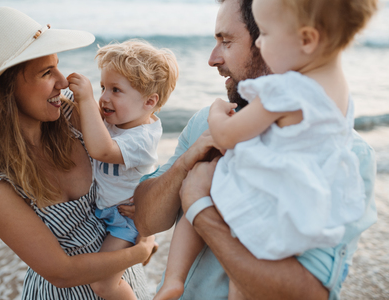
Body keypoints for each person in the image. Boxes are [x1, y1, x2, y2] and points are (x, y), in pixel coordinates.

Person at [132, 0, 378, 299]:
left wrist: (198, 207)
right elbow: (145, 220)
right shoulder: (203, 127)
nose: (212, 59)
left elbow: (310, 293)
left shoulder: (348, 157)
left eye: (226, 41)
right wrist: (185, 163)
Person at [0, 7, 155, 299]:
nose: (62, 82)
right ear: (6, 89)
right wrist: (142, 250)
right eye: (47, 73)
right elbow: (61, 272)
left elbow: (140, 146)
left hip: (125, 281)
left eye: (57, 66)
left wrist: (144, 206)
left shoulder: (75, 111)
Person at [66, 40, 178, 300]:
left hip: (124, 220)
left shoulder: (142, 139)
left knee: (103, 285)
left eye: (116, 90)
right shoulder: (120, 120)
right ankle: (146, 249)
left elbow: (102, 150)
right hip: (106, 209)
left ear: (150, 101)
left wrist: (86, 97)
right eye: (103, 86)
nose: (104, 97)